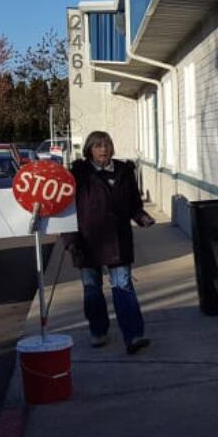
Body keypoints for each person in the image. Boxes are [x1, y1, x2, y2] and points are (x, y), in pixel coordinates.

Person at [68, 131, 154, 354]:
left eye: (106, 145)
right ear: (89, 149)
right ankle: (98, 331)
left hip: (117, 240)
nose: (103, 149)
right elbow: (65, 207)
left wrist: (142, 217)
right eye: (97, 145)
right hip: (87, 241)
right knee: (92, 290)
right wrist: (68, 239)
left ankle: (133, 335)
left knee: (123, 286)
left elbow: (134, 204)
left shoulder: (124, 171)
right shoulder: (79, 174)